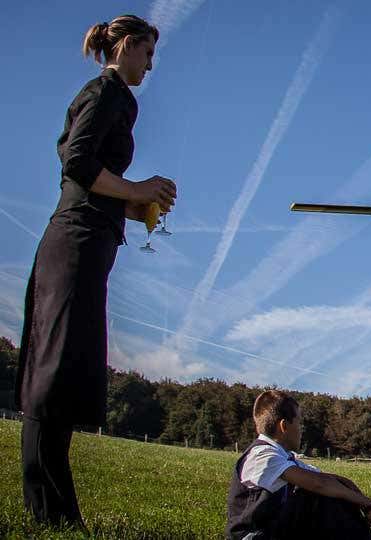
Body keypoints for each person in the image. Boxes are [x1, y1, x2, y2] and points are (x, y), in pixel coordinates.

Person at [16, 14, 177, 526]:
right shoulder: (109, 92)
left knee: (64, 368)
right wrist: (138, 188)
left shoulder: (113, 97)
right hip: (76, 241)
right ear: (125, 45)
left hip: (87, 238)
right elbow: (78, 164)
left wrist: (135, 205)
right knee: (54, 367)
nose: (150, 65)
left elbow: (82, 167)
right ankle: (49, 510)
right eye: (147, 53)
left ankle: (54, 508)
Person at [226, 390, 371, 539]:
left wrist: (363, 503)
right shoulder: (261, 456)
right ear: (284, 426)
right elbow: (319, 484)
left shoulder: (283, 457)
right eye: (299, 423)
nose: (301, 430)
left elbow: (332, 481)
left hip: (274, 531)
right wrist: (365, 502)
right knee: (322, 498)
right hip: (254, 536)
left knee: (333, 495)